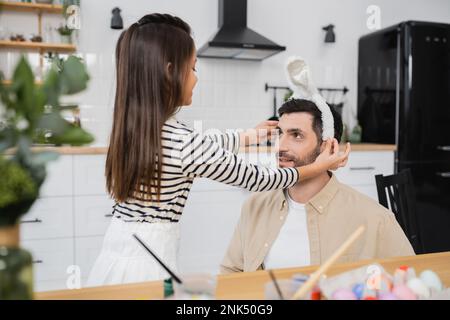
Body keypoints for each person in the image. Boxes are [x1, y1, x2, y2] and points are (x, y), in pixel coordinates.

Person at [86, 13, 350, 286]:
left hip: (118, 251)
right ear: (168, 71)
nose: (195, 79)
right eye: (192, 68)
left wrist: (247, 136)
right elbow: (258, 178)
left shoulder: (140, 128)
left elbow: (202, 141)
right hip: (146, 266)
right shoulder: (181, 141)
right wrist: (317, 167)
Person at [220, 98, 415, 274]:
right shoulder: (254, 206)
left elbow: (410, 284)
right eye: (280, 134)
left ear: (329, 147)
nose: (281, 146)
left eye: (296, 135)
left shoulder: (376, 220)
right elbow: (231, 273)